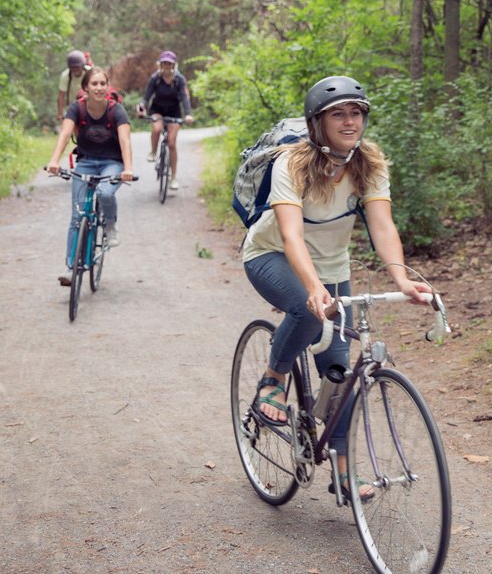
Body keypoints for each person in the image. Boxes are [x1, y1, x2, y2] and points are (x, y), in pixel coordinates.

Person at [241, 75, 431, 502]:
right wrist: (313, 288)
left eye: (357, 113)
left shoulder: (370, 163)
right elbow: (290, 236)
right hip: (270, 255)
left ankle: (344, 474)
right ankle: (273, 379)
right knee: (309, 312)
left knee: (340, 373)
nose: (350, 122)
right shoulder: (291, 163)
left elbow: (382, 224)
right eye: (338, 114)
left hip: (331, 265)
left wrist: (401, 278)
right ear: (317, 123)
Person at [47, 66, 135, 285]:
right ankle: (71, 268)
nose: (98, 88)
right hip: (85, 162)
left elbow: (125, 141)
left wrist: (128, 168)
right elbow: (65, 134)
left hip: (112, 164)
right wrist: (54, 161)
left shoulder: (116, 111)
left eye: (102, 84)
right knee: (77, 217)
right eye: (94, 84)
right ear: (85, 87)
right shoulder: (77, 109)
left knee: (105, 193)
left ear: (107, 87)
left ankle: (111, 225)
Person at [137, 50, 194, 190]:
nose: (167, 66)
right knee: (156, 129)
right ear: (160, 64)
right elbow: (146, 97)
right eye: (164, 63)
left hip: (174, 111)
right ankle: (153, 151)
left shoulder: (179, 80)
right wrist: (142, 107)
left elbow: (184, 98)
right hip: (157, 109)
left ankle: (173, 178)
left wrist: (188, 114)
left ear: (174, 65)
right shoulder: (155, 78)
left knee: (172, 143)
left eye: (169, 63)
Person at [57, 49, 90, 121]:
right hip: (73, 105)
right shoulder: (65, 76)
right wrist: (60, 113)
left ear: (82, 66)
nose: (75, 70)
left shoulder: (89, 73)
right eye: (72, 67)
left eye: (77, 67)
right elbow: (61, 96)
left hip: (89, 103)